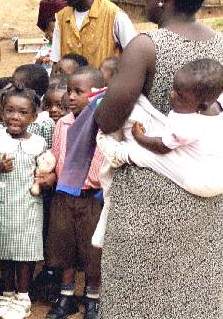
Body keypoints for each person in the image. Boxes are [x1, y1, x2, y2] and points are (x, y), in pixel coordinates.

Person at [92, 0, 222, 319]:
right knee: (194, 304)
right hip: (205, 206)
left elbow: (108, 117)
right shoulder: (221, 46)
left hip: (148, 199)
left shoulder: (146, 46)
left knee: (138, 308)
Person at [94, 58, 223, 249]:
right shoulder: (214, 107)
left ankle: (123, 154)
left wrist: (139, 137)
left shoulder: (186, 124)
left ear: (201, 106)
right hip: (215, 171)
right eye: (174, 88)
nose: (171, 95)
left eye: (179, 96)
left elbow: (162, 146)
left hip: (202, 182)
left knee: (153, 157)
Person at [45, 67, 105, 319]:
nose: (71, 96)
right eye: (70, 90)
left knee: (93, 252)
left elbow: (105, 159)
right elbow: (57, 156)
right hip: (64, 195)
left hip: (92, 197)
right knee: (64, 247)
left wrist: (93, 184)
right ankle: (66, 296)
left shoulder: (104, 123)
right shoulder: (63, 123)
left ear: (96, 94)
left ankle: (93, 300)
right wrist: (49, 175)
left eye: (78, 92)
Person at [0, 88, 55, 319]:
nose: (15, 116)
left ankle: (23, 297)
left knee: (24, 251)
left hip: (28, 205)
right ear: (2, 113)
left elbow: (46, 167)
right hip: (2, 205)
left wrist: (49, 179)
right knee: (5, 249)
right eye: (9, 111)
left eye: (22, 112)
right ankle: (7, 293)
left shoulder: (38, 142)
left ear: (34, 117)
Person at [51, 0, 136, 71]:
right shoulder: (61, 18)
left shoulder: (114, 15)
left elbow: (135, 57)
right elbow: (56, 63)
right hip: (70, 88)